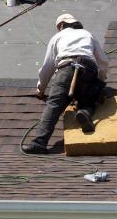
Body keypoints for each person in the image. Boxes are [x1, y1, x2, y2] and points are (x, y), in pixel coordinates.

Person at [22, 13, 109, 154]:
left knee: (54, 104)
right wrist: (100, 81)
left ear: (61, 25)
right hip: (89, 70)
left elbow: (47, 67)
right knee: (88, 100)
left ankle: (39, 142)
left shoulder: (57, 37)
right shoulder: (87, 34)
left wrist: (41, 89)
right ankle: (84, 111)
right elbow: (103, 62)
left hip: (67, 69)